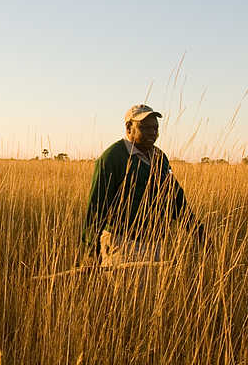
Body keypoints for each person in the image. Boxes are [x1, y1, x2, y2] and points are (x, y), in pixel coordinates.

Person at [82, 104, 204, 268]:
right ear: (128, 127)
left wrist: (197, 230)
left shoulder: (159, 157)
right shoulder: (113, 157)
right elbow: (97, 208)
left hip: (154, 243)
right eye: (145, 128)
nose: (152, 133)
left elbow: (176, 197)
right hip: (122, 243)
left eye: (155, 128)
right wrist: (91, 252)